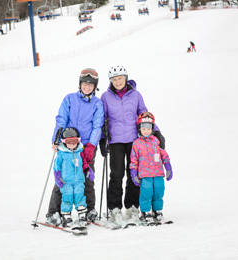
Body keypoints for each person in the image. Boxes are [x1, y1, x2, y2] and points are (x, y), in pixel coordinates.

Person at [99, 65, 166, 225]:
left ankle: (132, 207)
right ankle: (114, 208)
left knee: (134, 174)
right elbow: (102, 119)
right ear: (110, 81)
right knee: (116, 174)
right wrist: (103, 139)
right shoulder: (105, 97)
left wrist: (156, 132)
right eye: (114, 80)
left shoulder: (136, 95)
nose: (117, 82)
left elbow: (144, 114)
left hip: (135, 142)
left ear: (126, 78)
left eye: (120, 78)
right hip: (115, 141)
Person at [46, 68, 104, 225]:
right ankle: (54, 212)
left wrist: (91, 145)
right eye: (85, 84)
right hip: (68, 145)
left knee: (87, 177)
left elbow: (97, 125)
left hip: (86, 146)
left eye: (91, 85)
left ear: (95, 86)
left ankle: (90, 210)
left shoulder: (98, 104)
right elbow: (61, 119)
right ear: (80, 84)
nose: (87, 87)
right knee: (63, 177)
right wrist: (57, 139)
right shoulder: (69, 99)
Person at [129, 112, 173, 224]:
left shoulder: (156, 141)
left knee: (159, 191)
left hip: (158, 173)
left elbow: (164, 154)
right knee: (146, 193)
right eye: (143, 128)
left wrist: (168, 167)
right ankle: (145, 212)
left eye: (149, 128)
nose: (146, 130)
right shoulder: (136, 143)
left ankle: (157, 211)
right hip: (145, 175)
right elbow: (134, 160)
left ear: (152, 128)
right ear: (139, 128)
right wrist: (134, 173)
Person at [53, 127, 95, 227]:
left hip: (79, 180)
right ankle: (66, 215)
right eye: (69, 141)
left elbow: (84, 162)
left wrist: (88, 170)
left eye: (74, 141)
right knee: (67, 198)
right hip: (66, 181)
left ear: (78, 140)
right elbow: (56, 166)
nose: (72, 144)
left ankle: (82, 214)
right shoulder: (61, 153)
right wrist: (57, 176)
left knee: (80, 197)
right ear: (64, 142)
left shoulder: (80, 151)